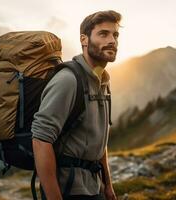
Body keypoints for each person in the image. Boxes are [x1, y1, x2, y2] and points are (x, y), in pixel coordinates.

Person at [32, 10, 121, 200]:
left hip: (94, 187)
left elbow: (99, 138)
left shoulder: (102, 81)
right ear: (84, 40)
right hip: (70, 189)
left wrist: (108, 186)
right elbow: (40, 140)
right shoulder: (68, 80)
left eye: (115, 35)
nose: (112, 40)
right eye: (103, 34)